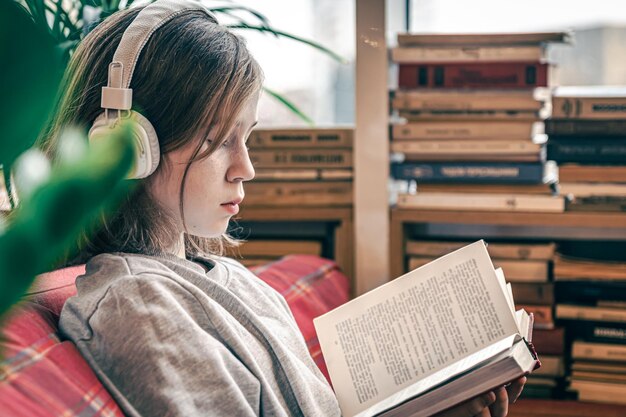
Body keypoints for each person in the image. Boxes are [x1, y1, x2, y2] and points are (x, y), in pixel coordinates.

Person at [39, 1, 525, 416]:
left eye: (246, 138)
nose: (245, 168)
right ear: (128, 145)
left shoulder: (231, 281)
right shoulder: (135, 304)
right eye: (218, 141)